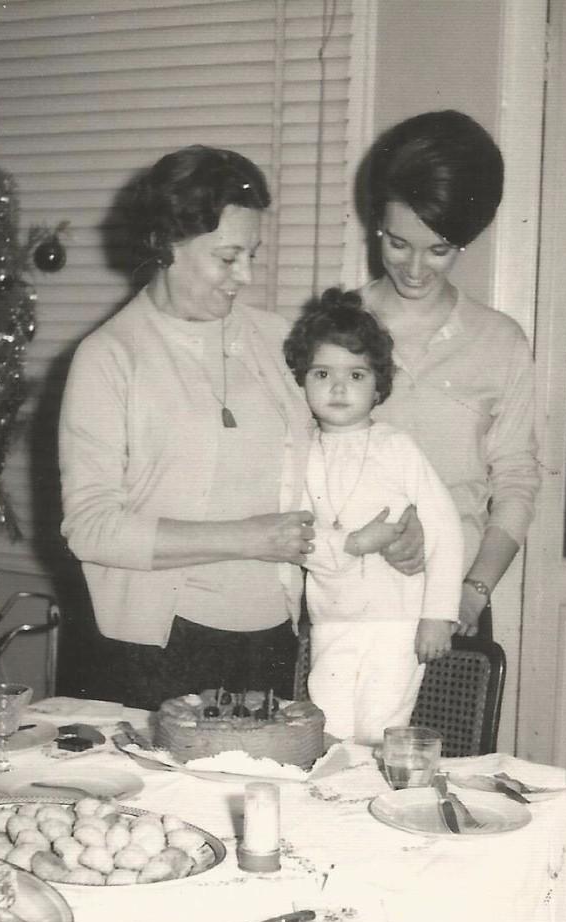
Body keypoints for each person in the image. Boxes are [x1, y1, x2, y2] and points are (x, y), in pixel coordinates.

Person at [58, 145, 422, 710]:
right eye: (227, 258)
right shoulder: (109, 356)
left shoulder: (277, 340)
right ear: (166, 244)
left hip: (272, 631)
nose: (245, 277)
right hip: (157, 643)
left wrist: (404, 518)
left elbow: (353, 442)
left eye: (251, 255)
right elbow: (90, 526)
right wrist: (247, 537)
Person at [357, 110, 540, 637]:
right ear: (377, 225)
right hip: (344, 598)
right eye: (397, 244)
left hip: (454, 605)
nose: (415, 270)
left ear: (464, 240)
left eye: (438, 250)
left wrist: (473, 592)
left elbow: (516, 481)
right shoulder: (335, 328)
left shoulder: (500, 342)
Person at [284, 288, 463, 743]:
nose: (339, 388)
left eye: (356, 374)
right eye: (323, 373)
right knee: (329, 729)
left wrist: (438, 614)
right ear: (302, 381)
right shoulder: (299, 456)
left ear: (379, 385)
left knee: (382, 729)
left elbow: (444, 527)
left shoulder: (396, 448)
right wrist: (354, 544)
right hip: (332, 619)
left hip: (397, 621)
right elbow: (297, 537)